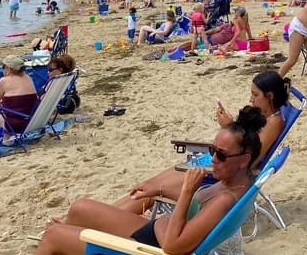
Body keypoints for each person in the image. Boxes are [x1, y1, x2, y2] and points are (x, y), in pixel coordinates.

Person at [13, 107, 265, 255]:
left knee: (54, 237)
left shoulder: (225, 200)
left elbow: (174, 248)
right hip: (153, 235)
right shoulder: (235, 180)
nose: (213, 159)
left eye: (220, 154)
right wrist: (159, 191)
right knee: (80, 209)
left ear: (243, 159)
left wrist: (187, 191)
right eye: (212, 151)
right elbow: (198, 210)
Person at [113, 71, 289, 214]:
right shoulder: (262, 117)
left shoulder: (274, 122)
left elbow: (251, 158)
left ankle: (108, 221)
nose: (251, 99)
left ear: (270, 96)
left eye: (255, 95)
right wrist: (231, 126)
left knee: (152, 191)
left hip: (216, 171)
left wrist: (229, 126)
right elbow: (244, 142)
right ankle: (107, 212)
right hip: (211, 161)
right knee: (149, 183)